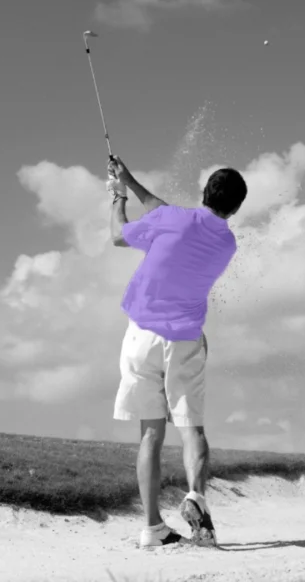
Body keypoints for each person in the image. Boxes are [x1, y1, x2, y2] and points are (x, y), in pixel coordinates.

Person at [106, 155, 247, 548]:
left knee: (151, 433)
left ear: (204, 192)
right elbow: (168, 213)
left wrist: (118, 197)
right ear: (235, 208)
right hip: (185, 340)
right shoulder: (226, 242)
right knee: (192, 429)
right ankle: (195, 496)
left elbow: (120, 234)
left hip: (141, 338)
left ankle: (152, 529)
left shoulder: (173, 220)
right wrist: (131, 179)